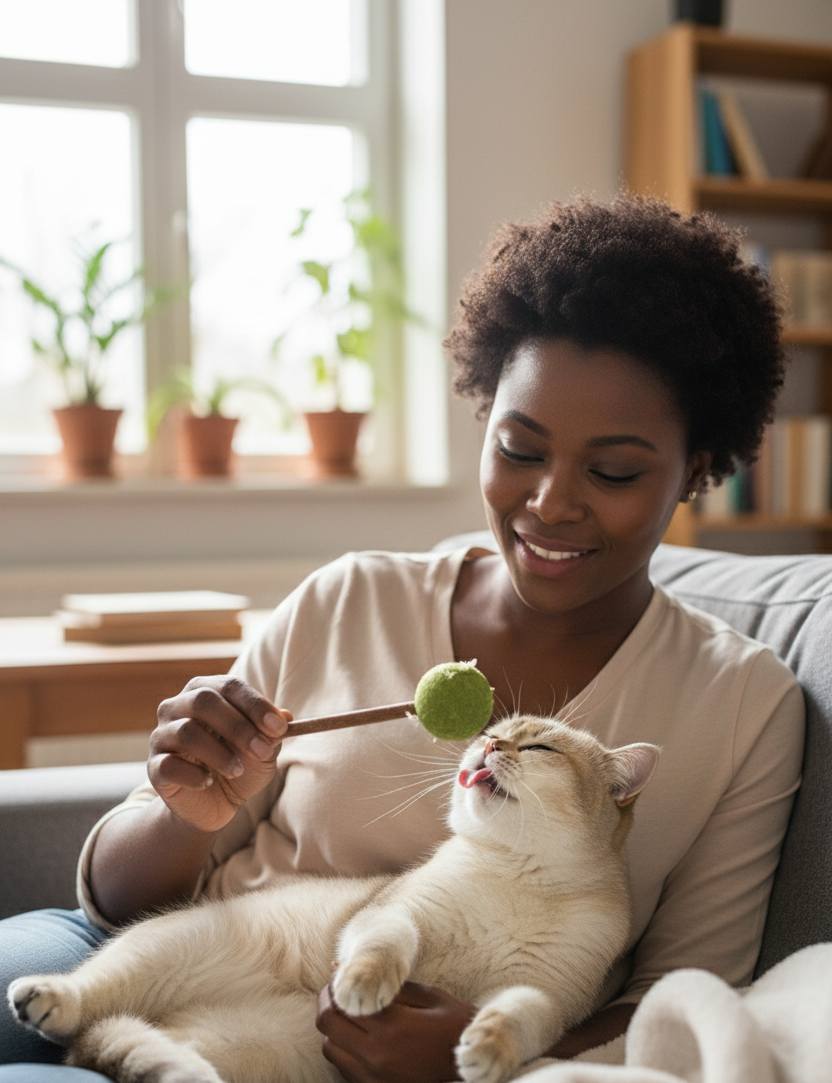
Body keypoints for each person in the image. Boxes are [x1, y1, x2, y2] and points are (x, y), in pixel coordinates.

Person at [0, 195, 805, 1083]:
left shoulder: (740, 706)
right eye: (520, 449)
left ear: (695, 468)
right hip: (165, 947)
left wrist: (471, 1054)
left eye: (612, 470)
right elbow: (115, 902)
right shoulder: (352, 596)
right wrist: (185, 812)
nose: (550, 502)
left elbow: (681, 1003)